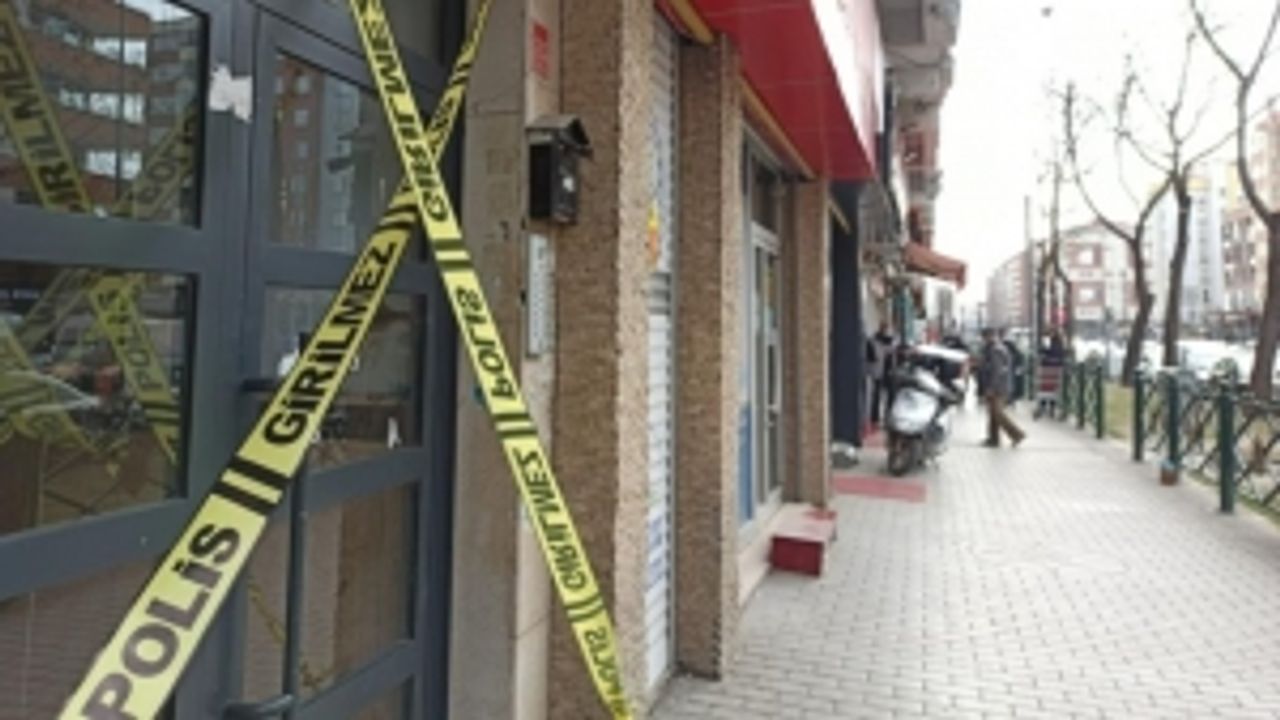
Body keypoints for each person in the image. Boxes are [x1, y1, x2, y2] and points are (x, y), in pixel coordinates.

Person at [978, 328, 1026, 448]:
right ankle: (993, 438)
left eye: (985, 337)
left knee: (997, 413)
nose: (984, 340)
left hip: (998, 387)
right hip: (999, 386)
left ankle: (1017, 434)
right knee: (993, 413)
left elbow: (997, 371)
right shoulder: (995, 348)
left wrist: (991, 388)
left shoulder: (995, 350)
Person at [866, 322, 895, 427]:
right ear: (881, 328)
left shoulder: (891, 341)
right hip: (878, 372)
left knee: (890, 396)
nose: (886, 331)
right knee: (876, 397)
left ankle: (888, 418)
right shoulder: (873, 340)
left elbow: (893, 355)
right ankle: (875, 419)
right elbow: (870, 358)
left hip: (888, 372)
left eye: (887, 329)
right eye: (884, 328)